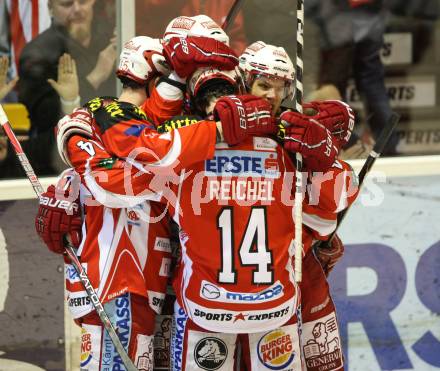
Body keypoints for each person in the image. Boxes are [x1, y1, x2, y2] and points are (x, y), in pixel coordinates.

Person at [35, 31, 274, 370]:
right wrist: (66, 188)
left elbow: (136, 148)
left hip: (168, 287)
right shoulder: (113, 114)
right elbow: (119, 175)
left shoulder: (152, 124)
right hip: (128, 283)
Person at [239, 40, 360, 370]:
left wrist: (324, 156)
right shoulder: (221, 135)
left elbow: (335, 202)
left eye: (280, 87)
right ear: (243, 81)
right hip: (241, 291)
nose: (272, 96)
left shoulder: (294, 131)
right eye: (264, 85)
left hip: (301, 278)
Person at [17, 0, 116, 175]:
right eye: (67, 4)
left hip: (113, 153)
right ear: (50, 9)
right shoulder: (37, 53)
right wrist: (95, 77)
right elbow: (46, 119)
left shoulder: (114, 38)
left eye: (83, 2)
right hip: (59, 163)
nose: (77, 10)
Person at [305, 0, 398, 155]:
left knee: (332, 88)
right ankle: (387, 146)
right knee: (371, 83)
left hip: (337, 16)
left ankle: (345, 146)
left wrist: (312, 10)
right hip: (368, 13)